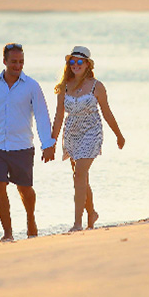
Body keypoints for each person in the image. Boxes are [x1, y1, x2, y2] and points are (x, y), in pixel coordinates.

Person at [0, 43, 57, 242]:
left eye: (21, 62)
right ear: (4, 61)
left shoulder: (31, 86)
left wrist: (48, 143)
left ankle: (30, 218)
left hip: (22, 146)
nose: (17, 65)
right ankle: (8, 233)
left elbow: (42, 115)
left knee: (24, 188)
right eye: (13, 62)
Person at [51, 46, 125, 232]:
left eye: (79, 62)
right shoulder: (64, 86)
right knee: (80, 177)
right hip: (71, 134)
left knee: (80, 175)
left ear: (87, 65)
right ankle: (91, 213)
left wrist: (118, 135)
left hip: (92, 131)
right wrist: (51, 142)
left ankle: (77, 223)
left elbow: (107, 112)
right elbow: (59, 116)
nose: (75, 65)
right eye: (72, 61)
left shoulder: (96, 86)